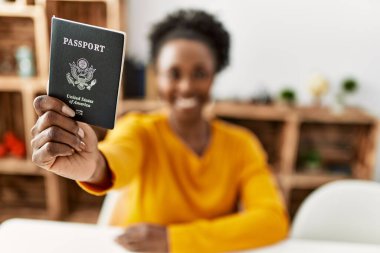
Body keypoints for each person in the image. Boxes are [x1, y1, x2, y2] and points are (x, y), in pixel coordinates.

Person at [31, 9, 288, 253]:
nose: (186, 86)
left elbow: (272, 220)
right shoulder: (140, 130)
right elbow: (114, 159)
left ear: (214, 75)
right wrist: (92, 165)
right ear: (158, 78)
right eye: (174, 74)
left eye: (199, 73)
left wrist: (173, 239)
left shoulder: (242, 145)